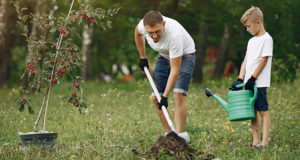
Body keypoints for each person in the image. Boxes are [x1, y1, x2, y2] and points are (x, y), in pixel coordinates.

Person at [134, 11, 196, 143]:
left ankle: (180, 136)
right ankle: (170, 135)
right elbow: (137, 33)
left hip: (185, 55)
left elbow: (175, 69)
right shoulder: (142, 26)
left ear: (163, 24)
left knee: (178, 94)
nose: (154, 36)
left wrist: (165, 96)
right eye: (150, 33)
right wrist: (142, 56)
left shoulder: (174, 36)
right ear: (145, 28)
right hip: (164, 54)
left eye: (157, 31)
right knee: (156, 98)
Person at [230, 6, 273, 148]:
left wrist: (253, 78)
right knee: (252, 112)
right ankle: (256, 141)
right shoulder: (251, 41)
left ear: (258, 22)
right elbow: (246, 61)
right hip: (248, 83)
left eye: (249, 26)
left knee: (263, 111)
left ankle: (265, 142)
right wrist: (240, 79)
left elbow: (264, 60)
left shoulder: (267, 39)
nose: (247, 29)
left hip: (258, 83)